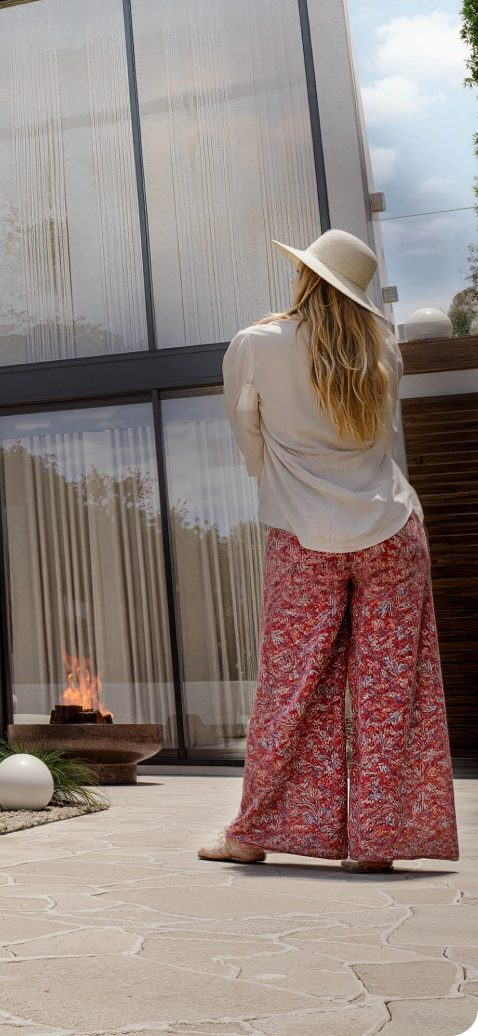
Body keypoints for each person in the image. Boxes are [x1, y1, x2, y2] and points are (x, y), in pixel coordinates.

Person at [198, 229, 458, 872]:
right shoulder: (384, 354)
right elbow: (382, 440)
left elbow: (248, 434)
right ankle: (376, 846)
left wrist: (281, 479)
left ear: (307, 278)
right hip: (393, 530)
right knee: (391, 689)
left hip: (300, 532)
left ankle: (253, 833)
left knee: (292, 685)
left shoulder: (256, 344)